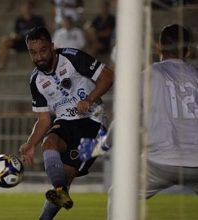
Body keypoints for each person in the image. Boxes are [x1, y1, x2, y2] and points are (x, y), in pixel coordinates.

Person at [79, 24, 198, 214]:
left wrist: (102, 145)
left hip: (159, 162)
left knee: (119, 195)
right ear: (189, 49)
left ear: (158, 48)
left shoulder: (148, 76)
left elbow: (126, 120)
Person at [18, 27, 114, 220]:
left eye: (43, 50)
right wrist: (30, 144)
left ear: (52, 47)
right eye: (33, 52)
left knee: (65, 178)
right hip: (65, 122)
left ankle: (59, 192)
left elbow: (109, 76)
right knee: (49, 144)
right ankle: (60, 191)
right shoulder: (35, 79)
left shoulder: (72, 57)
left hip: (94, 122)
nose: (39, 57)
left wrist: (89, 98)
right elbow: (44, 119)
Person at [0, 1, 45, 71]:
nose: (25, 9)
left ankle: (37, 68)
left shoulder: (38, 19)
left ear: (31, 8)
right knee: (4, 40)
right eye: (23, 7)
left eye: (27, 7)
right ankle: (2, 65)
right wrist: (14, 36)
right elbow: (16, 32)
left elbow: (42, 32)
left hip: (32, 43)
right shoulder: (19, 20)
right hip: (21, 42)